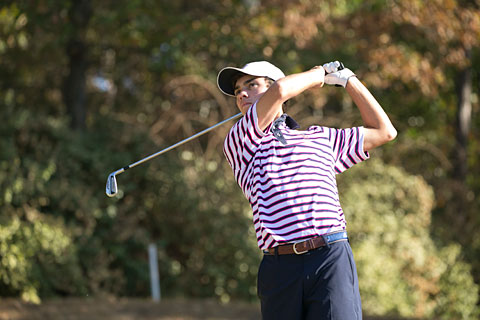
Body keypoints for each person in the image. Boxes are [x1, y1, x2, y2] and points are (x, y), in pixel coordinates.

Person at [216, 60, 397, 320]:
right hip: (279, 268)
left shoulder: (320, 138)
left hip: (330, 257)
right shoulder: (241, 141)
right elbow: (279, 91)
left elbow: (384, 131)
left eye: (252, 85)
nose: (242, 94)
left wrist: (348, 80)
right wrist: (319, 74)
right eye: (237, 91)